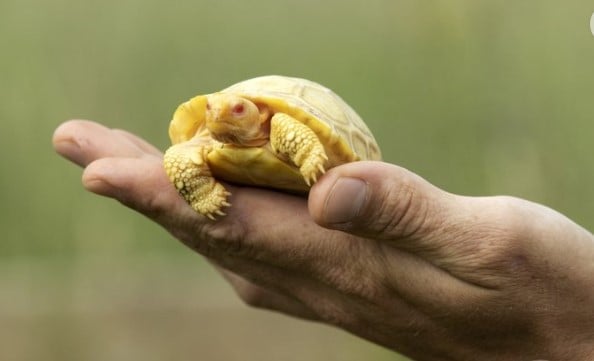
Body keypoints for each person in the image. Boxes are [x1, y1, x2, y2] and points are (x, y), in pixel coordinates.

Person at [53, 120, 594, 361]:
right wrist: (196, 186)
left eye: (238, 111)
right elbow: (181, 158)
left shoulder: (284, 129)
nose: (224, 117)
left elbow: (297, 134)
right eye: (217, 111)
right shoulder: (209, 139)